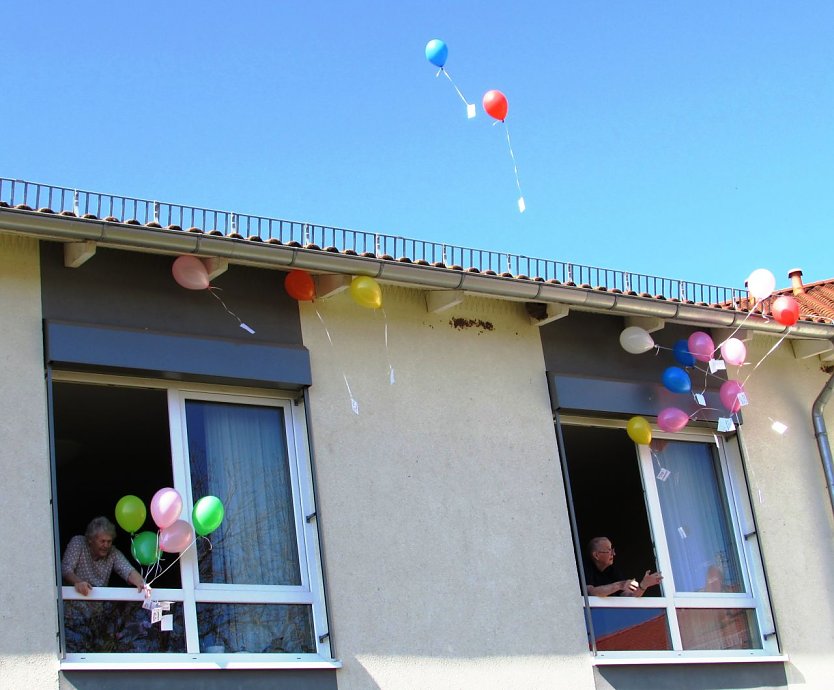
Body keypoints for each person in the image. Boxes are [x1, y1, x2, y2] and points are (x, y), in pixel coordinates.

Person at [62, 516, 144, 595]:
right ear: (91, 539)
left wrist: (141, 583)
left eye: (109, 541)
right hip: (74, 602)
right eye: (102, 541)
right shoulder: (78, 543)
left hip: (98, 605)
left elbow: (128, 570)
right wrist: (78, 582)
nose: (106, 545)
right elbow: (66, 569)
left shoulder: (112, 552)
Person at [584, 536, 663, 597]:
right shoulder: (585, 568)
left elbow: (629, 596)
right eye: (609, 551)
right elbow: (590, 592)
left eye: (612, 550)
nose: (613, 554)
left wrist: (644, 585)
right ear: (596, 555)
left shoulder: (613, 570)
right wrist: (620, 585)